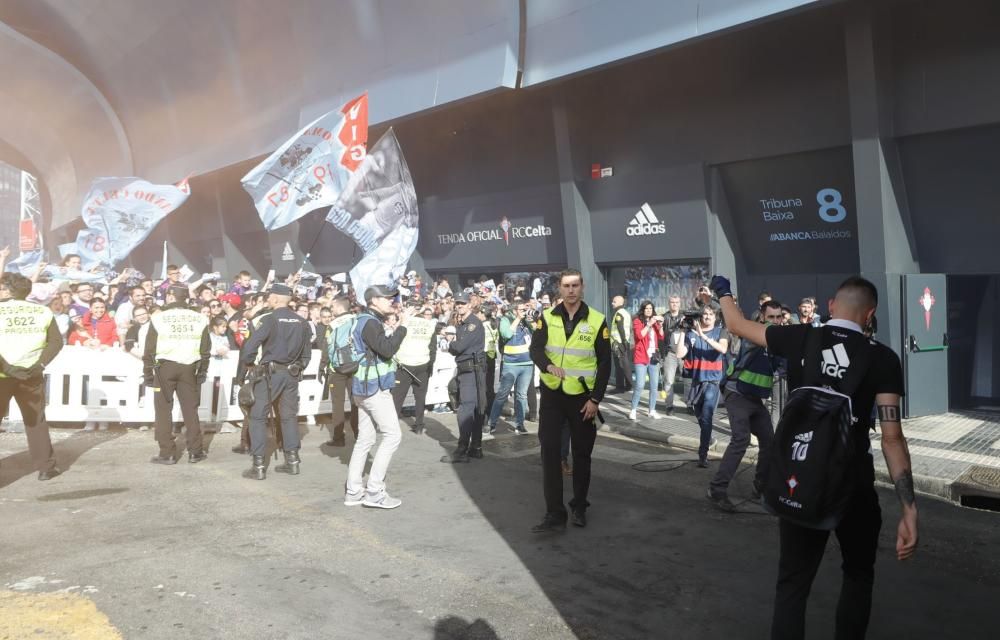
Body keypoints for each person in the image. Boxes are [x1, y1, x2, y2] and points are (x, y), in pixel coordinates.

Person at [711, 275, 917, 640]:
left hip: (800, 477)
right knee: (858, 575)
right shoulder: (883, 359)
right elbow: (892, 438)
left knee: (792, 583)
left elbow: (736, 325)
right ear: (870, 314)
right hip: (853, 483)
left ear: (832, 307)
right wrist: (909, 509)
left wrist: (724, 292)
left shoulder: (798, 336)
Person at [528, 269, 611, 532]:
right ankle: (554, 513)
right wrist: (547, 366)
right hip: (553, 395)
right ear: (560, 289)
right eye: (566, 286)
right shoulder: (547, 317)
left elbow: (605, 363)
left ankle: (579, 506)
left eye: (575, 285)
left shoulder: (597, 320)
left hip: (583, 399)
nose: (571, 290)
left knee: (582, 455)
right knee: (550, 452)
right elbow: (536, 348)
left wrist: (596, 399)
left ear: (582, 287)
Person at [706, 299, 784, 512]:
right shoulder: (755, 334)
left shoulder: (778, 342)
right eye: (771, 317)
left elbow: (785, 367)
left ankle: (761, 488)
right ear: (761, 317)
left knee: (770, 441)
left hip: (755, 400)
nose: (775, 322)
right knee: (741, 439)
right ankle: (717, 490)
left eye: (779, 317)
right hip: (737, 394)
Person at [344, 285, 410, 509]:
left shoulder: (361, 320)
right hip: (373, 388)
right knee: (392, 436)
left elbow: (376, 348)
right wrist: (403, 328)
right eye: (386, 298)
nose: (391, 301)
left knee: (365, 440)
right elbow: (387, 350)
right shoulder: (370, 322)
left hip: (361, 387)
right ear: (373, 301)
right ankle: (374, 491)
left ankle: (354, 492)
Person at [238, 284, 311, 480]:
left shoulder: (270, 319)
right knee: (288, 417)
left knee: (258, 417)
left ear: (277, 299)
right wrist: (296, 369)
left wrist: (249, 363)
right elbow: (306, 356)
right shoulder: (302, 322)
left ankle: (259, 466)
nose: (268, 299)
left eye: (270, 296)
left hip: (270, 375)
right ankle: (292, 462)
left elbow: (250, 346)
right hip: (291, 375)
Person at [0, 273, 64, 480]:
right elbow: (56, 342)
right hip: (31, 373)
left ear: (9, 290)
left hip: (3, 374)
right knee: (35, 421)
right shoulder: (42, 311)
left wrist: (8, 369)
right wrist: (40, 364)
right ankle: (46, 467)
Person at [143, 286, 211, 465]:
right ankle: (195, 451)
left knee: (163, 409)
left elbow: (149, 349)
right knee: (190, 409)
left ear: (171, 297)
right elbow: (205, 349)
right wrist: (202, 371)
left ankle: (167, 453)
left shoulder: (158, 317)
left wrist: (148, 372)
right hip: (189, 367)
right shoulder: (200, 318)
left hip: (164, 367)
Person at [678, 306, 729, 468]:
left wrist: (703, 336)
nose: (707, 317)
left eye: (710, 314)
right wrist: (681, 332)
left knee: (706, 417)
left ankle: (703, 454)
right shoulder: (691, 334)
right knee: (700, 416)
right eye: (705, 314)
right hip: (696, 381)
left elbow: (723, 348)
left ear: (715, 317)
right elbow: (679, 354)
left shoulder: (721, 332)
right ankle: (708, 438)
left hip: (712, 382)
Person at [440, 291, 486, 463]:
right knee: (473, 409)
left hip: (471, 371)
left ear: (470, 305)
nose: (459, 306)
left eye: (463, 303)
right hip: (469, 370)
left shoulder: (472, 324)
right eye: (457, 303)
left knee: (466, 409)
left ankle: (462, 449)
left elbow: (458, 347)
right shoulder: (464, 323)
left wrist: (450, 340)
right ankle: (475, 447)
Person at [486, 300, 533, 435]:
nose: (524, 312)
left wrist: (532, 320)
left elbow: (536, 331)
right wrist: (518, 319)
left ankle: (520, 423)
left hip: (527, 363)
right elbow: (506, 334)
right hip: (511, 364)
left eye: (525, 309)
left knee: (521, 395)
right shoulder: (506, 320)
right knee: (502, 394)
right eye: (522, 309)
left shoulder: (526, 321)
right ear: (514, 310)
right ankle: (492, 423)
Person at [391, 303, 437, 434]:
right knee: (420, 398)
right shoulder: (430, 325)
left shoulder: (405, 323)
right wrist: (430, 366)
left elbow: (395, 341)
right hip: (423, 365)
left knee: (397, 397)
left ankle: (392, 427)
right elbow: (433, 348)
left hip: (405, 365)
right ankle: (419, 426)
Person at [320, 296, 360, 447]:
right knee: (356, 401)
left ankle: (338, 438)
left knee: (338, 404)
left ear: (340, 307)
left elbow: (326, 347)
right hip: (355, 365)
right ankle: (358, 434)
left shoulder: (332, 324)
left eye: (333, 307)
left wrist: (322, 365)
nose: (331, 310)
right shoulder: (357, 320)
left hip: (337, 369)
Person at [629, 300, 664, 420]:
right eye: (646, 308)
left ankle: (652, 410)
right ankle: (633, 409)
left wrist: (660, 325)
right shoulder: (637, 321)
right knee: (640, 385)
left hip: (653, 357)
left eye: (650, 308)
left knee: (654, 386)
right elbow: (639, 335)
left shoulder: (655, 322)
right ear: (643, 310)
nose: (649, 310)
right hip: (641, 357)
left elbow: (661, 336)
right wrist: (649, 324)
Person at [659, 295, 686, 415]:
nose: (674, 304)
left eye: (676, 302)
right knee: (669, 381)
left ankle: (690, 405)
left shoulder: (685, 317)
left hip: (684, 353)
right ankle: (669, 406)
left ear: (680, 304)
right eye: (672, 302)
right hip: (670, 353)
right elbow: (660, 336)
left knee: (688, 380)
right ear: (669, 304)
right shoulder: (664, 317)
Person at [608, 295, 632, 395]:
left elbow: (620, 328)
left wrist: (623, 342)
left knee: (619, 366)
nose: (612, 303)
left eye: (614, 301)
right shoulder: (626, 313)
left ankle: (620, 387)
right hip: (623, 342)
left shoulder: (619, 313)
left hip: (618, 343)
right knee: (625, 364)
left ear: (620, 303)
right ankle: (628, 385)